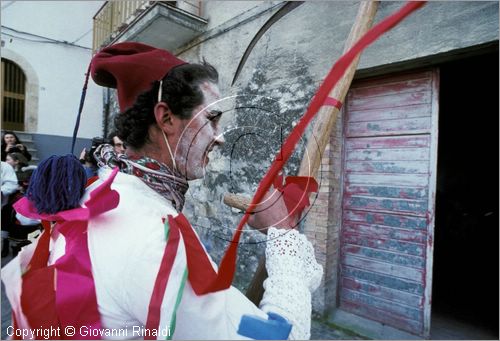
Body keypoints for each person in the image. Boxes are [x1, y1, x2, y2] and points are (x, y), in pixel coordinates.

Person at [3, 42, 322, 340]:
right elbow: (275, 336)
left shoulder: (96, 192)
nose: (220, 137)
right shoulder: (155, 236)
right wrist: (284, 234)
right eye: (211, 119)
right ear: (166, 117)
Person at [1, 161, 19, 257]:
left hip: (2, 205)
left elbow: (12, 184)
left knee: (5, 226)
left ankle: (6, 245)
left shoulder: (5, 167)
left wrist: (1, 191)